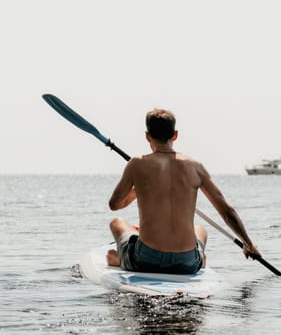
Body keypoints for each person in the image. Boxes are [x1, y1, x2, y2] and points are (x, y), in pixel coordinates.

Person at [106, 108, 261, 274]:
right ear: (175, 135)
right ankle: (200, 258)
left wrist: (140, 187)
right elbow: (227, 212)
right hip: (186, 262)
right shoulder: (195, 167)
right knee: (200, 230)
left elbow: (115, 204)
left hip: (147, 260)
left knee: (117, 223)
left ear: (147, 136)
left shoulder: (137, 164)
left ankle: (120, 259)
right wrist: (248, 244)